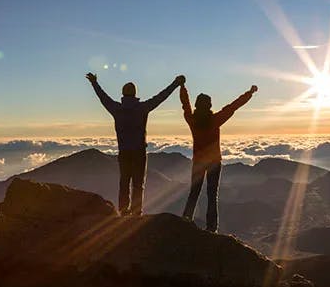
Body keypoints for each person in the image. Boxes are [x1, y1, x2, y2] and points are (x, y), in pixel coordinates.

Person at [86, 72, 185, 216]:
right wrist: (175, 83)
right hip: (139, 152)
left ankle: (123, 210)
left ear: (123, 94)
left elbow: (103, 98)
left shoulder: (116, 109)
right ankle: (137, 211)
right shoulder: (142, 108)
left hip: (124, 152)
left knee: (124, 182)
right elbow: (161, 97)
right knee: (138, 184)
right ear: (134, 94)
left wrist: (94, 83)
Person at [180, 82, 258, 232]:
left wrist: (182, 88)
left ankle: (186, 219)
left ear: (197, 105)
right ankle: (212, 227)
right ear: (209, 106)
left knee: (194, 192)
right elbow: (233, 106)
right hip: (214, 162)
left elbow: (185, 105)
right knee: (212, 194)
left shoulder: (192, 120)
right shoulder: (215, 120)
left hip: (198, 162)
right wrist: (249, 93)